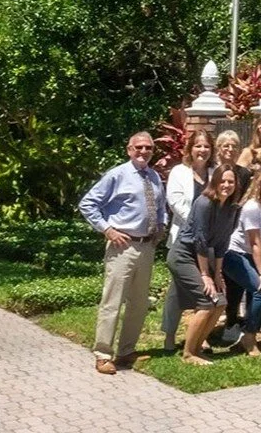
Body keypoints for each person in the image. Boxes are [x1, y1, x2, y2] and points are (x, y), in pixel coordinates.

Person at [79, 131, 167, 374]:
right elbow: (88, 203)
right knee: (113, 302)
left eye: (148, 148)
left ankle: (126, 351)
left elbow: (160, 206)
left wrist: (161, 226)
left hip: (146, 246)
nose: (143, 152)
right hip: (122, 247)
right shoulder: (117, 175)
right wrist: (108, 230)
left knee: (139, 303)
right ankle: (103, 354)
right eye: (139, 147)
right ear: (129, 150)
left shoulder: (154, 176)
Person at [164, 164, 241, 365]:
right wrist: (206, 275)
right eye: (222, 181)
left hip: (205, 256)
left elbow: (223, 242)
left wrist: (218, 274)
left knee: (220, 302)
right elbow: (200, 240)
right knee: (206, 301)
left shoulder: (232, 208)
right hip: (183, 256)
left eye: (231, 181)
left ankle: (198, 349)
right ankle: (188, 354)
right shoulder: (204, 203)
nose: (226, 185)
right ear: (215, 182)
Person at [222, 162, 261, 357]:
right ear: (258, 183)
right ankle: (249, 336)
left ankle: (249, 334)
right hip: (234, 254)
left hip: (254, 256)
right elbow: (255, 243)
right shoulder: (251, 207)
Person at [161, 129, 214, 353]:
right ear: (190, 149)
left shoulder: (214, 173)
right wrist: (197, 223)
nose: (202, 150)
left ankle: (200, 336)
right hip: (183, 239)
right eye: (198, 146)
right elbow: (174, 202)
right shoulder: (179, 172)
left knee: (203, 288)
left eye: (206, 146)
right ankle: (169, 335)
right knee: (177, 291)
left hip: (206, 242)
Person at [213, 129, 251, 341]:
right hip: (212, 230)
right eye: (225, 145)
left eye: (234, 146)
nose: (229, 149)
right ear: (218, 149)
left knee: (233, 278)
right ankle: (206, 325)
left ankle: (231, 320)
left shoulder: (243, 174)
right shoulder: (211, 171)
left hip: (234, 231)